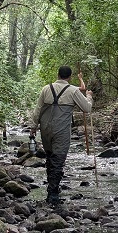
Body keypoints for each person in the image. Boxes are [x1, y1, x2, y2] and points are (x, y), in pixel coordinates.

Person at [30, 65, 93, 205]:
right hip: (61, 131)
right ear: (70, 77)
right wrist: (89, 96)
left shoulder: (46, 88)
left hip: (45, 130)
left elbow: (38, 109)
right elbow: (87, 108)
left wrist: (33, 127)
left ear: (57, 75)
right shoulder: (72, 91)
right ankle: (52, 194)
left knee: (50, 158)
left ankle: (52, 189)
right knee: (58, 161)